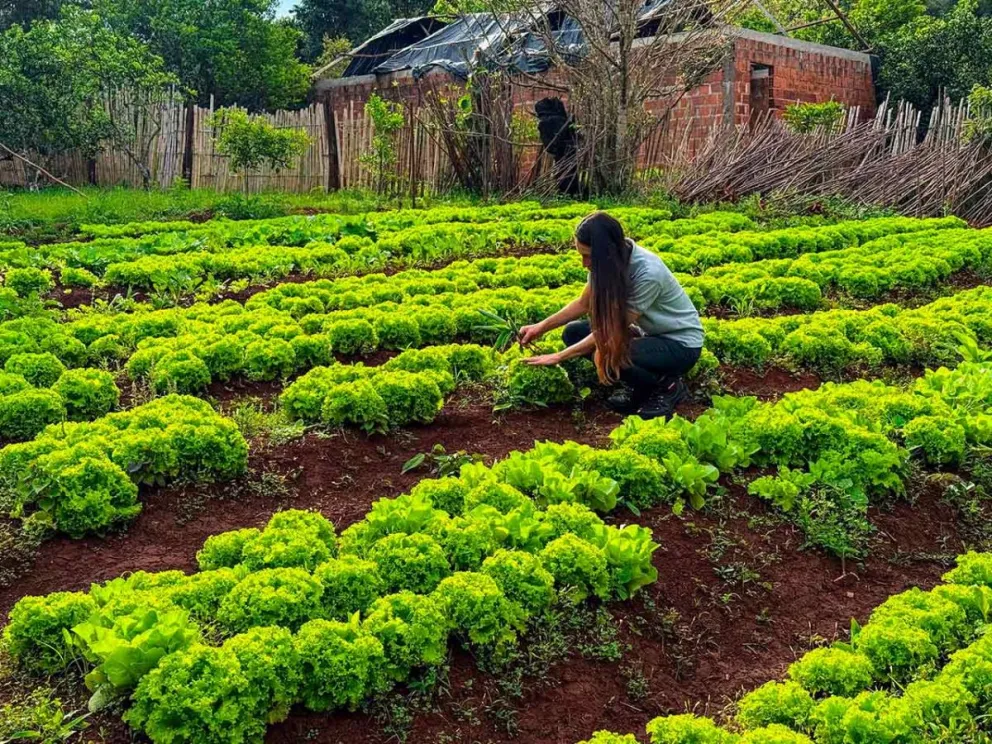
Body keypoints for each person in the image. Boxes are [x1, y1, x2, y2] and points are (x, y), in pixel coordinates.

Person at [518, 211, 703, 420]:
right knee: (574, 333)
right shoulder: (607, 262)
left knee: (611, 353)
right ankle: (641, 384)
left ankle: (666, 387)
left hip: (680, 345)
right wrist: (539, 327)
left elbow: (612, 331)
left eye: (587, 256)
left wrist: (560, 356)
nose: (583, 263)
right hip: (647, 334)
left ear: (606, 252)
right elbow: (583, 304)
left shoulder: (649, 273)